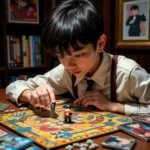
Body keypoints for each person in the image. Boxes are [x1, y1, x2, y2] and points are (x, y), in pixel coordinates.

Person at [6, 0, 150, 115]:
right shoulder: (65, 71)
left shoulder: (129, 73)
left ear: (100, 43)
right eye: (61, 55)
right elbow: (13, 87)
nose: (70, 65)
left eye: (78, 55)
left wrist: (113, 106)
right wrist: (30, 94)